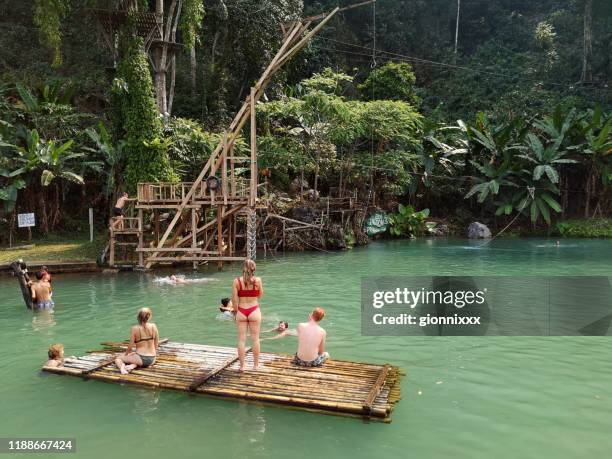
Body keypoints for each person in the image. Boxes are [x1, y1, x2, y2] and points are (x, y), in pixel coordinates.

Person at [232, 259, 264, 371]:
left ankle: (242, 366)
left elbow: (234, 301)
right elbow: (260, 295)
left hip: (241, 310)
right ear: (254, 268)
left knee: (241, 340)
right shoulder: (258, 280)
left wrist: (236, 313)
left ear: (243, 268)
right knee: (255, 339)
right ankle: (255, 366)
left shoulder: (236, 281)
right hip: (254, 310)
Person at [115, 307, 159, 375]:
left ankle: (122, 369)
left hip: (140, 358)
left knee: (118, 358)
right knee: (133, 355)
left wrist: (126, 354)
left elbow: (130, 346)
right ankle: (134, 365)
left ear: (138, 317)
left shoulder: (135, 328)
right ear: (149, 316)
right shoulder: (154, 326)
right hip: (152, 359)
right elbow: (156, 343)